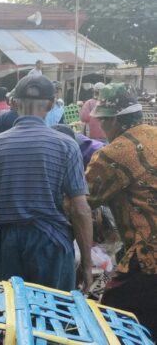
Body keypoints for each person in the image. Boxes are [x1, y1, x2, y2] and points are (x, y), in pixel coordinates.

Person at [0, 75, 93, 293]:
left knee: (10, 314)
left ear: (14, 103)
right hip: (51, 244)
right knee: (50, 316)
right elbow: (80, 209)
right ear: (50, 104)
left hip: (7, 242)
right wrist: (86, 262)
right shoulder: (67, 145)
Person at [84, 83, 157, 336]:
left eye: (103, 122)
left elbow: (81, 201)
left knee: (115, 317)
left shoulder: (112, 155)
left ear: (114, 120)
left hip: (149, 256)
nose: (101, 128)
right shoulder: (154, 134)